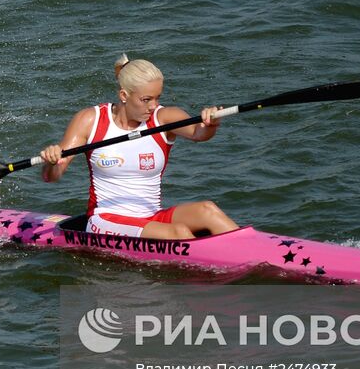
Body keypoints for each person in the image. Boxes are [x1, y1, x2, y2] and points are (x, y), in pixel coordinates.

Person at [39, 55, 239, 239]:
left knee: (207, 210)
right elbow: (51, 176)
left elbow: (199, 133)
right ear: (124, 95)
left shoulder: (164, 118)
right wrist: (51, 162)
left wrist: (211, 124)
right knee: (178, 233)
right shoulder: (90, 120)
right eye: (146, 100)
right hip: (105, 220)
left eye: (157, 97)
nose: (153, 106)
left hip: (151, 217)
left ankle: (254, 252)